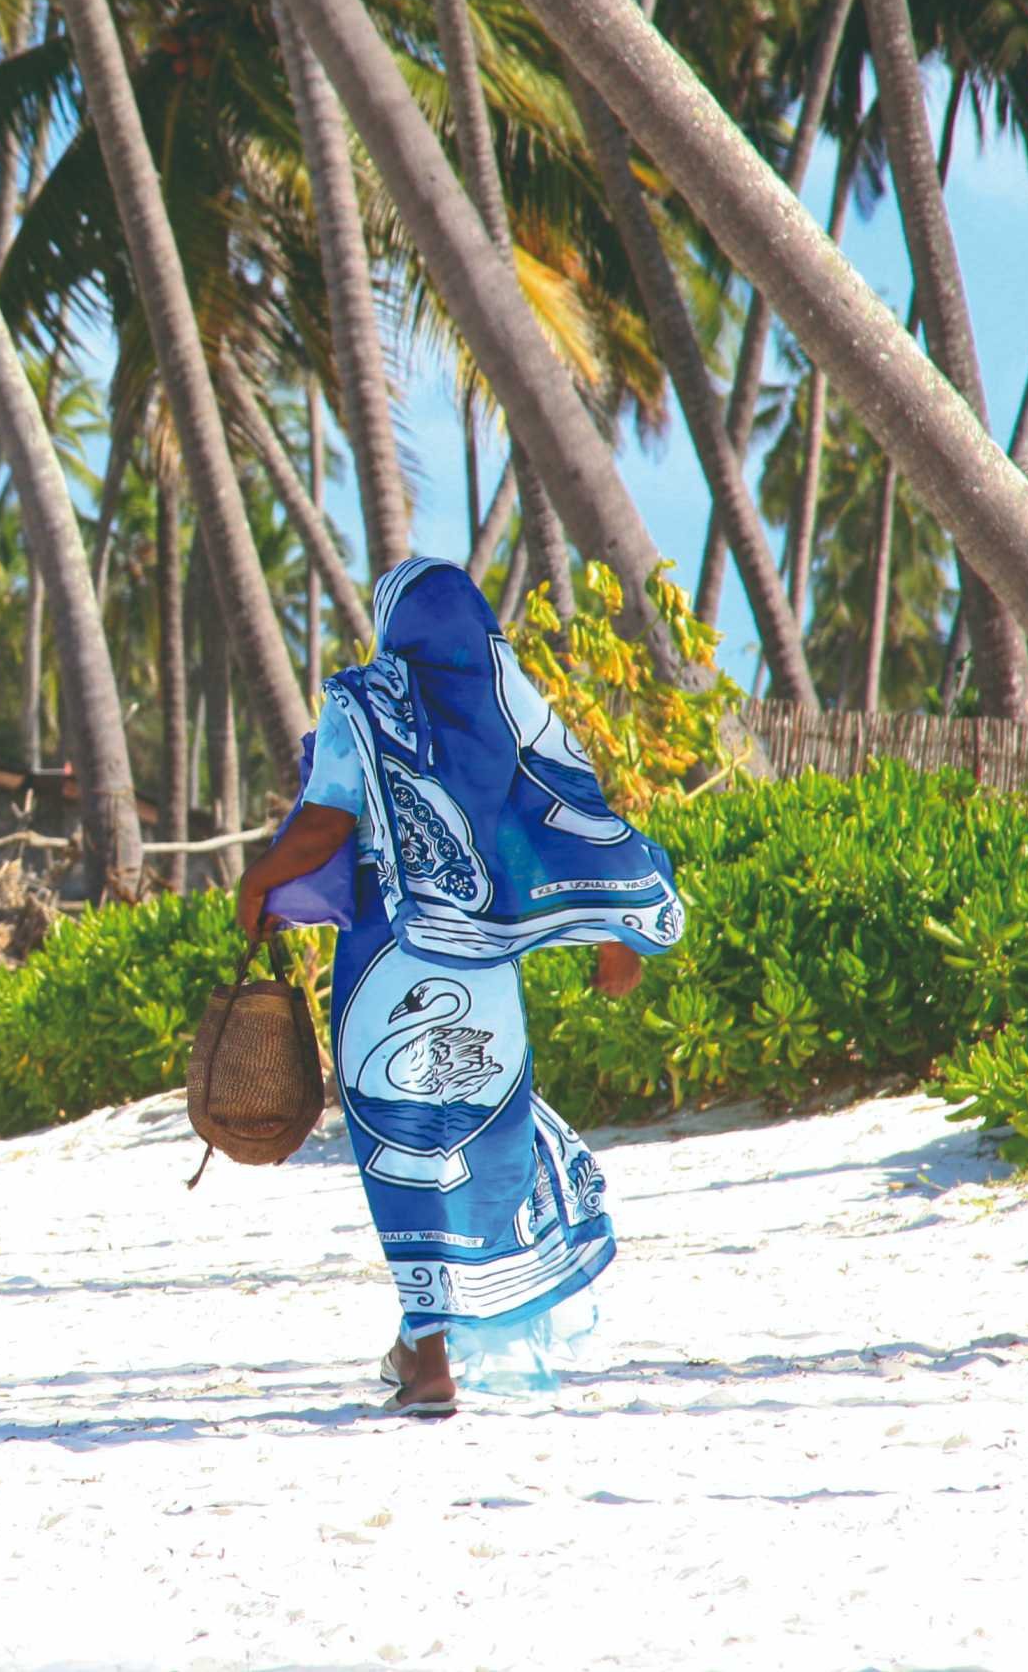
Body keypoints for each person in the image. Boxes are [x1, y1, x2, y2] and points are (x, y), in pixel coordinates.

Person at [236, 557, 681, 1418]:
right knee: (478, 1133)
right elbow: (568, 815)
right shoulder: (511, 710)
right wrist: (610, 929)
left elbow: (326, 820)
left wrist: (256, 882)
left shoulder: (362, 704)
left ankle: (429, 1358)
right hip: (480, 973)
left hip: (384, 960)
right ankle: (424, 1341)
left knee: (399, 1143)